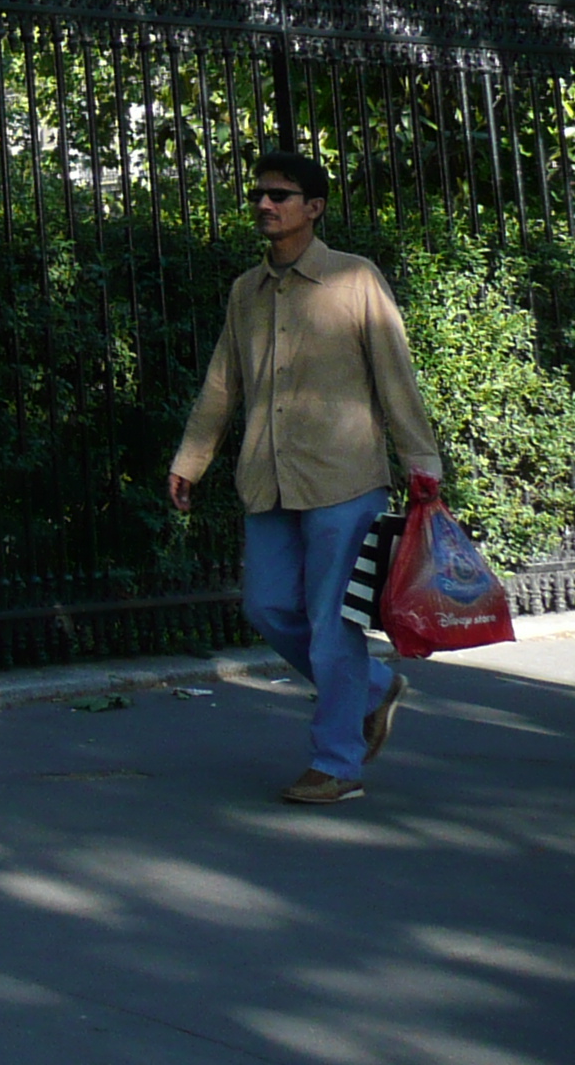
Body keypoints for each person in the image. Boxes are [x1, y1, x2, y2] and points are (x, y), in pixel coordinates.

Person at [167, 148, 444, 806]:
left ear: (313, 208)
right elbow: (222, 385)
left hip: (344, 479)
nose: (265, 204)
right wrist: (189, 460)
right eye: (259, 193)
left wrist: (421, 462)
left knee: (331, 622)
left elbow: (394, 376)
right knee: (266, 607)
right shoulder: (246, 291)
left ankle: (337, 763)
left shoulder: (355, 280)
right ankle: (373, 690)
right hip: (268, 476)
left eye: (281, 195)